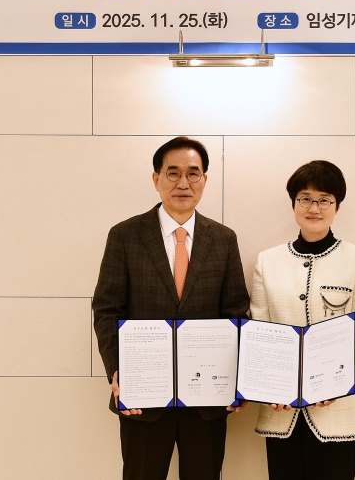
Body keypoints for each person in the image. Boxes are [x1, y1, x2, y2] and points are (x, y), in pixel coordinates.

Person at [92, 136, 249, 480]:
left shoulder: (224, 239)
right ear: (156, 178)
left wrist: (237, 379)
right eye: (173, 173)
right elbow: (107, 309)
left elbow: (236, 313)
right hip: (143, 396)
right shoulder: (125, 235)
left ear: (205, 180)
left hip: (207, 399)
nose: (183, 183)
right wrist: (118, 371)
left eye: (193, 173)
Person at [249, 160, 355, 480]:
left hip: (339, 414)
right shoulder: (268, 261)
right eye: (305, 199)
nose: (314, 208)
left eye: (324, 200)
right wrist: (272, 386)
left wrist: (338, 382)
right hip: (282, 413)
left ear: (337, 206)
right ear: (293, 203)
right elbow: (260, 332)